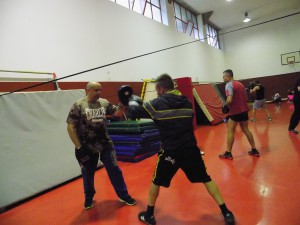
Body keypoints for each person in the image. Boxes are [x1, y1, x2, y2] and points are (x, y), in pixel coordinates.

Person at [123, 74, 235, 225]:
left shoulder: (156, 104)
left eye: (157, 89)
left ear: (161, 89)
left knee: (156, 181)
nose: (156, 92)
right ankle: (226, 212)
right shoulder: (186, 102)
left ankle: (149, 215)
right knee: (206, 178)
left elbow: (133, 114)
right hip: (190, 149)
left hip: (170, 152)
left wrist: (130, 103)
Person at [66, 82, 136, 210]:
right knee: (88, 174)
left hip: (105, 144)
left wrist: (124, 102)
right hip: (87, 146)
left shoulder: (103, 103)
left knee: (115, 170)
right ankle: (88, 198)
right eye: (96, 90)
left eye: (100, 90)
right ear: (88, 90)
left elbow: (117, 114)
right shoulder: (79, 105)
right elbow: (70, 127)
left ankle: (123, 195)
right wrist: (79, 147)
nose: (99, 92)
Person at [219, 69, 259, 160]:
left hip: (235, 112)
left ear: (228, 76)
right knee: (246, 129)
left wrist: (225, 106)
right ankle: (254, 149)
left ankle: (228, 153)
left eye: (223, 77)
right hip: (244, 110)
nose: (223, 78)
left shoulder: (228, 85)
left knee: (230, 131)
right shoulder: (240, 84)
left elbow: (229, 99)